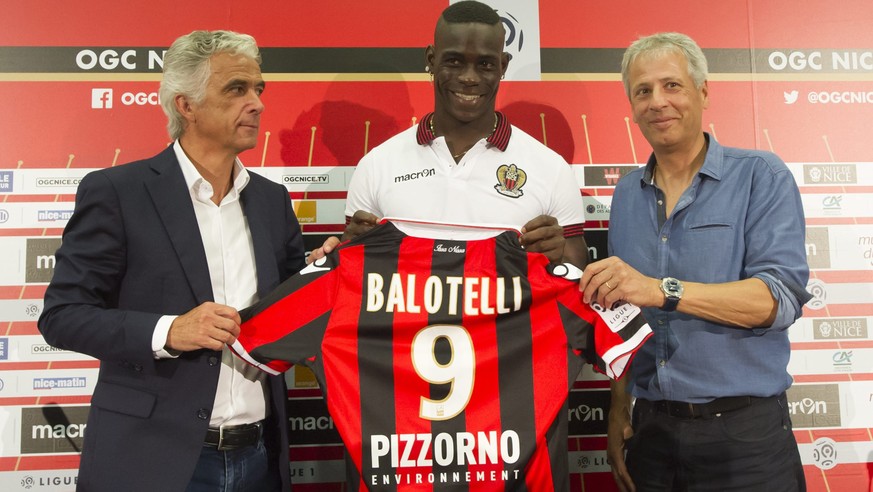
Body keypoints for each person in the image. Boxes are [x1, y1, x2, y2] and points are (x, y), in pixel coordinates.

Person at [38, 30, 303, 491]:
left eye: (259, 89)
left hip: (260, 459)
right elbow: (62, 317)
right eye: (236, 89)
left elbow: (288, 315)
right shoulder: (118, 192)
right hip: (151, 460)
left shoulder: (272, 201)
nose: (257, 103)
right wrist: (169, 331)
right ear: (186, 106)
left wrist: (327, 271)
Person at [579, 32, 811, 491]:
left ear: (703, 92)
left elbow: (778, 300)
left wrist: (662, 290)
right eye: (642, 91)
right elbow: (626, 316)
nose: (657, 102)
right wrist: (620, 408)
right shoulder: (626, 194)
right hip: (651, 434)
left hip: (745, 438)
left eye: (672, 85)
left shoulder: (761, 176)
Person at [322, 0, 588, 267]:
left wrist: (558, 257)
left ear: (503, 66)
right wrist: (344, 250)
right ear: (431, 60)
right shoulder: (376, 165)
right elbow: (353, 277)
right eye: (454, 61)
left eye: (485, 64)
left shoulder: (551, 170)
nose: (469, 78)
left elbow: (576, 278)